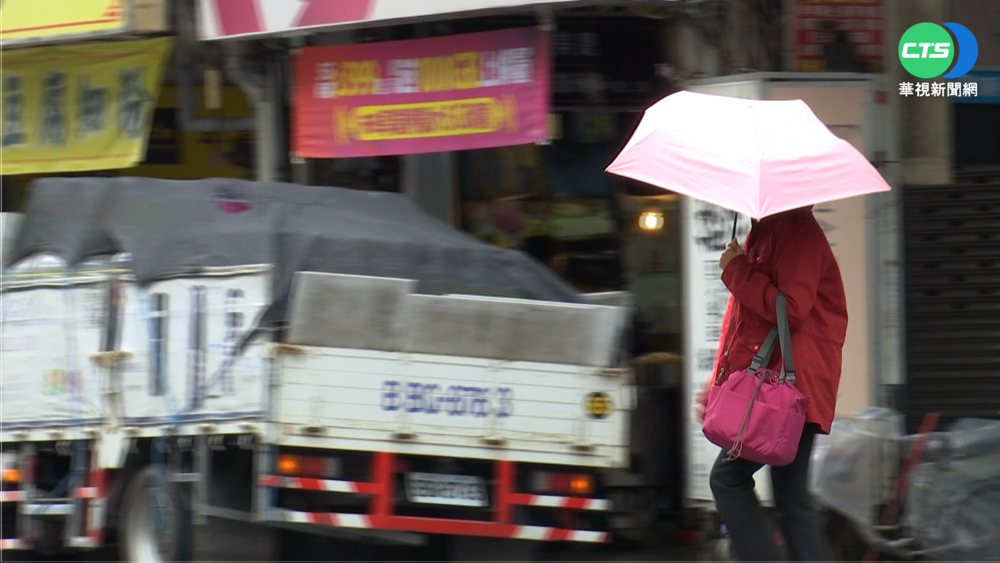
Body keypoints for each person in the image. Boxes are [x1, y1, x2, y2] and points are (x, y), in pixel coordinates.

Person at [692, 206, 848, 562]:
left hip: (791, 389)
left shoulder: (796, 231)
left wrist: (736, 269)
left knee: (728, 479)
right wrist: (720, 380)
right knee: (792, 499)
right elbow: (745, 322)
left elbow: (791, 309)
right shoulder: (766, 231)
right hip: (781, 387)